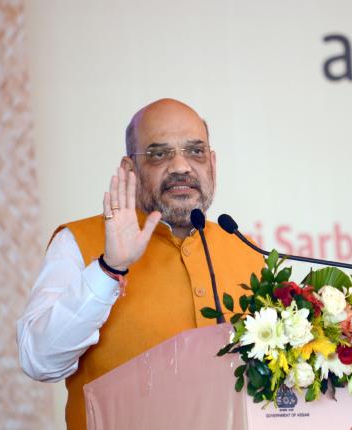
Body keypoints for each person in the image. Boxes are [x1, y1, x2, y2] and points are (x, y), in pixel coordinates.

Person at [17, 99, 263, 429]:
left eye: (196, 152)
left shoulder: (246, 250)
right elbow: (39, 360)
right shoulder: (78, 242)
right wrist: (109, 269)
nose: (181, 166)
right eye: (159, 154)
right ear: (130, 169)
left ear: (213, 163)